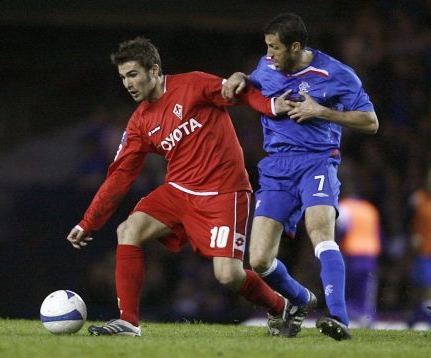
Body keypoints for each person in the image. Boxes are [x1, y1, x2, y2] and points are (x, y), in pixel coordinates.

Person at [66, 37, 290, 336]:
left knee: (228, 276)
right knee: (128, 230)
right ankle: (129, 321)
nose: (128, 84)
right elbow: (120, 175)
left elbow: (240, 91)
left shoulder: (193, 84)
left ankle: (279, 306)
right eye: (122, 78)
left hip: (224, 192)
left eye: (133, 74)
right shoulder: (139, 123)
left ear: (154, 70)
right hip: (179, 192)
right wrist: (88, 221)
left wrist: (271, 106)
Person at [222, 13, 379, 340]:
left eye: (275, 48)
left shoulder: (335, 74)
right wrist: (240, 76)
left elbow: (370, 121)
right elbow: (253, 81)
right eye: (267, 47)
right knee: (260, 259)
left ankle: (339, 318)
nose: (269, 54)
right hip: (277, 166)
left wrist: (321, 111)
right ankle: (299, 299)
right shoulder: (267, 64)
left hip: (317, 161)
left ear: (296, 46)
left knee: (320, 232)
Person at [336, 183, 382, 328]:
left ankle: (346, 318)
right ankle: (367, 318)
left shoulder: (343, 207)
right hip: (370, 255)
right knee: (366, 292)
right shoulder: (370, 209)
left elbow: (339, 231)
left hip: (351, 255)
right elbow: (379, 234)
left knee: (348, 291)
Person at [407, 166, 431, 327]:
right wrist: (411, 235)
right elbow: (406, 220)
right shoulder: (417, 199)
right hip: (423, 252)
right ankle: (413, 319)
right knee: (421, 288)